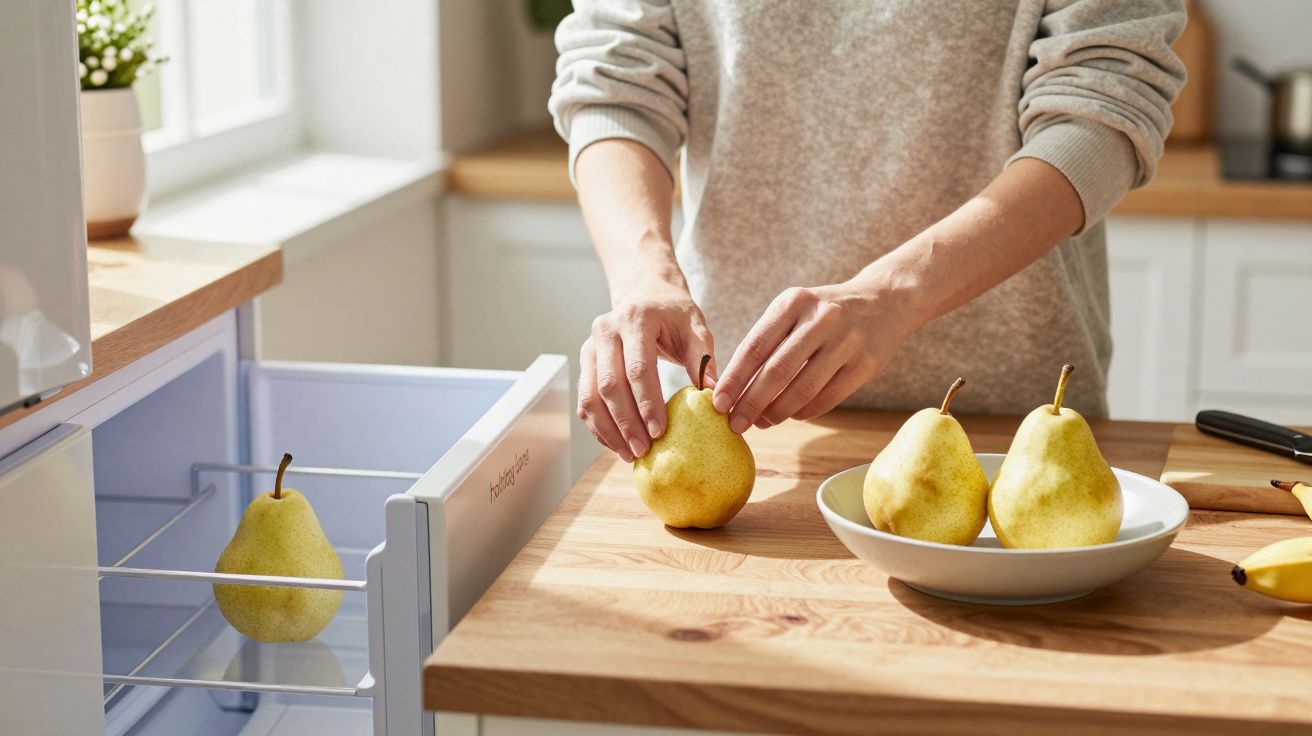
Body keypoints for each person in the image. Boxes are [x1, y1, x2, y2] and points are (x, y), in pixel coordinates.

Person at [549, 1, 1186, 462]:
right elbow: (616, 85)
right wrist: (644, 275)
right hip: (729, 419)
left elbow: (1105, 112)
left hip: (1011, 433)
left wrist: (896, 293)